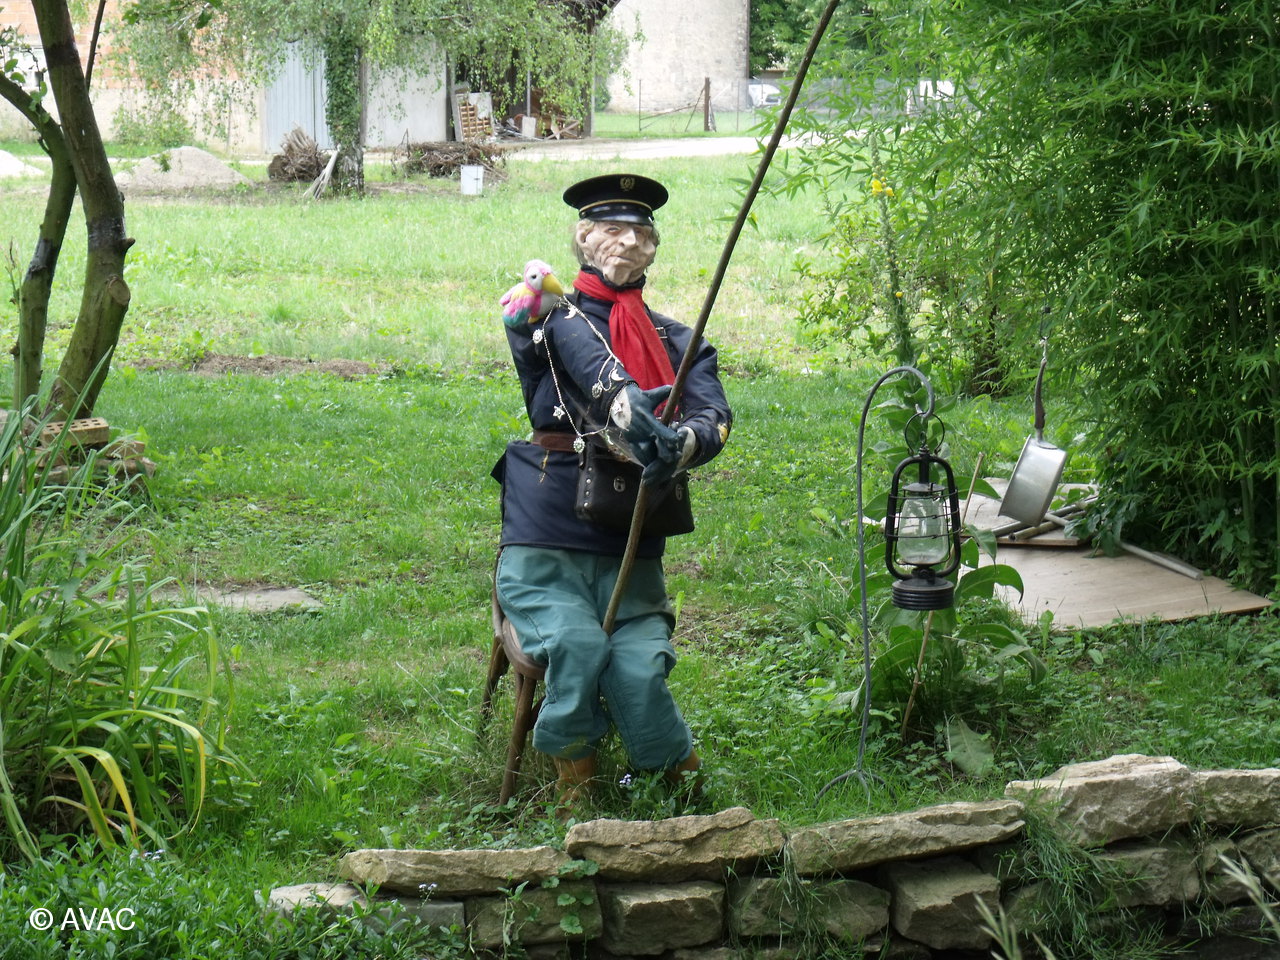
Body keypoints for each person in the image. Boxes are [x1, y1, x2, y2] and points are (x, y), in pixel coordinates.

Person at [491, 173, 733, 808]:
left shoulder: (679, 342)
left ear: (654, 247)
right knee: (575, 644)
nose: (627, 242)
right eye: (611, 229)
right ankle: (577, 781)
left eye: (640, 232)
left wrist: (682, 444)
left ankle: (682, 784)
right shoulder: (549, 317)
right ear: (583, 238)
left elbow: (714, 416)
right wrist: (626, 406)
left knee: (638, 667)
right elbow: (572, 351)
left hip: (632, 538)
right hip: (549, 538)